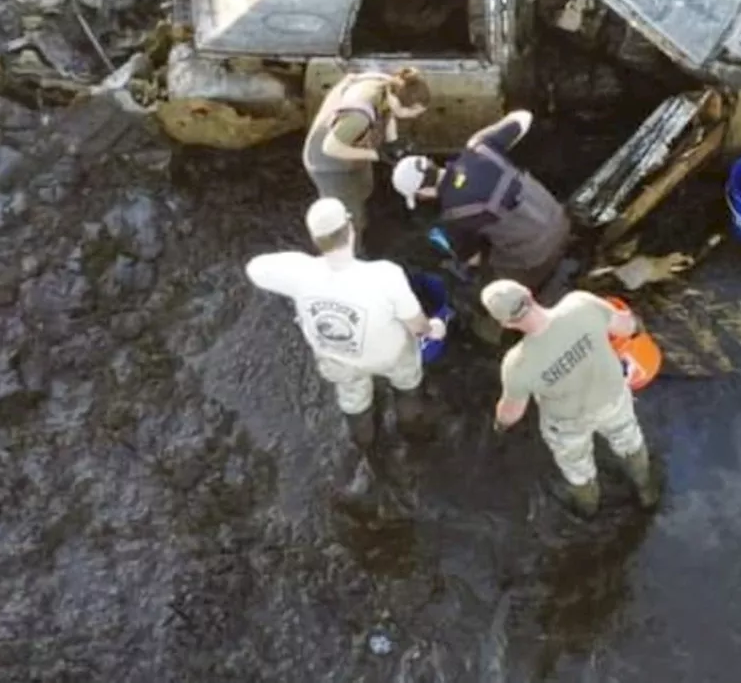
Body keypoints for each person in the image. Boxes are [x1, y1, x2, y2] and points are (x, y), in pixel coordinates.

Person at [244, 198, 448, 454]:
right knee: (407, 385)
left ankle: (365, 445)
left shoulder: (300, 273)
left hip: (338, 358)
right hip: (391, 354)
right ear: (350, 230)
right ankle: (414, 432)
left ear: (315, 239)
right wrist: (434, 328)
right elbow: (417, 325)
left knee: (353, 400)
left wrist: (301, 262)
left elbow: (254, 268)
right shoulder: (385, 275)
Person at [484, 278, 659, 517]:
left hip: (567, 424)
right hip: (613, 399)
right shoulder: (581, 305)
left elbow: (512, 412)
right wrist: (637, 327)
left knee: (577, 467)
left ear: (505, 323)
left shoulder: (517, 364)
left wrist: (499, 426)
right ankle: (646, 491)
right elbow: (627, 327)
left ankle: (588, 508)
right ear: (528, 291)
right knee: (629, 442)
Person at [390, 109, 571, 293]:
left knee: (497, 276)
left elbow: (473, 258)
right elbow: (524, 118)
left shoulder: (454, 215)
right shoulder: (481, 148)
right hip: (560, 218)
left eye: (419, 197)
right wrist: (480, 138)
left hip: (538, 256)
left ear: (424, 191)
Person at [303, 67, 432, 240]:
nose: (413, 117)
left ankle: (364, 215)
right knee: (347, 214)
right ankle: (352, 247)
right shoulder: (359, 116)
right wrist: (376, 154)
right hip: (329, 165)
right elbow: (330, 147)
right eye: (411, 112)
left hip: (355, 149)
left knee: (364, 188)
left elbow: (389, 113)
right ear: (397, 101)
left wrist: (392, 142)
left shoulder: (389, 85)